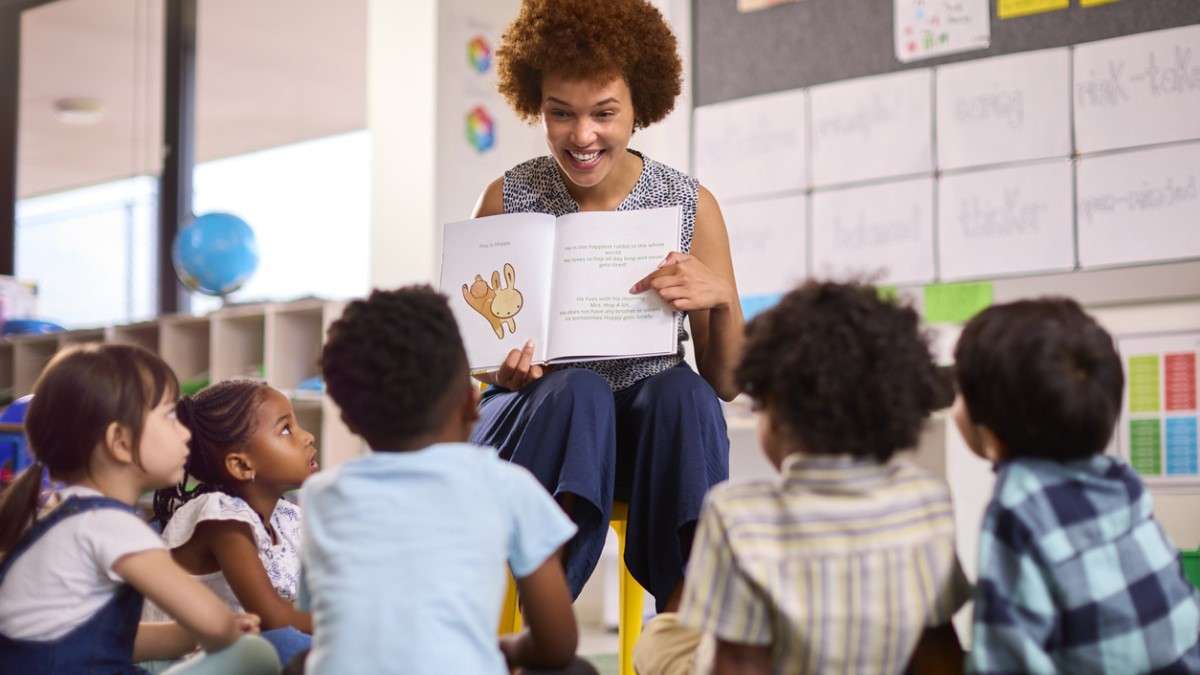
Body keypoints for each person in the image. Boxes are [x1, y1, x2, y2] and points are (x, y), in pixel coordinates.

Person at [470, 0, 743, 612]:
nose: (582, 135)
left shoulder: (687, 203)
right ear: (536, 107)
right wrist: (501, 371)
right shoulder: (508, 196)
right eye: (560, 114)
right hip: (542, 425)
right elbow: (480, 362)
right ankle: (548, 624)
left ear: (639, 106)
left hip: (643, 435)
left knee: (686, 393)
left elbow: (724, 383)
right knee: (580, 391)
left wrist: (721, 300)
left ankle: (682, 621)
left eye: (604, 114)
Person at [636, 281, 969, 675]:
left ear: (773, 412)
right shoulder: (926, 497)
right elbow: (940, 649)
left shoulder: (738, 514)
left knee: (660, 636)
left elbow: (738, 664)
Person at [298, 286, 597, 675]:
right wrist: (503, 650)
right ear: (472, 402)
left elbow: (321, 625)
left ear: (349, 420)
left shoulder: (320, 496)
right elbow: (556, 644)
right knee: (576, 671)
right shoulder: (506, 486)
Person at [0, 343, 279, 674]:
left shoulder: (63, 515)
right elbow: (216, 626)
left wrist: (185, 634)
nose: (184, 432)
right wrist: (229, 629)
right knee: (257, 655)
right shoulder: (109, 524)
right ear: (120, 441)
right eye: (169, 416)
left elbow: (106, 640)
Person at [954, 298, 1200, 674]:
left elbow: (1005, 656)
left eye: (960, 394)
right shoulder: (1121, 482)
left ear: (991, 438)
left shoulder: (1018, 507)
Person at [150, 380, 318, 666]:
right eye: (286, 430)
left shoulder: (286, 516)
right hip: (187, 664)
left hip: (244, 655)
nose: (308, 437)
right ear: (241, 465)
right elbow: (273, 617)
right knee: (287, 643)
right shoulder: (219, 518)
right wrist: (352, 624)